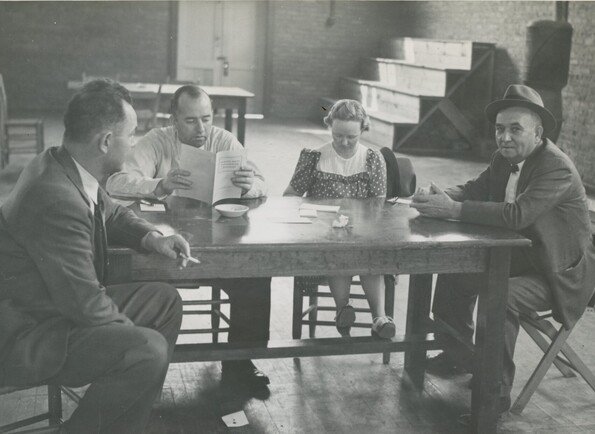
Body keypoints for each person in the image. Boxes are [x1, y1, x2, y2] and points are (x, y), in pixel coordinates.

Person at [0, 79, 191, 433]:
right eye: (131, 135)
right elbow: (86, 306)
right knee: (147, 350)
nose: (134, 143)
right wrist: (133, 341)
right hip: (29, 335)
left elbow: (111, 211)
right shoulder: (56, 198)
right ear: (105, 142)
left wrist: (152, 237)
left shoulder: (61, 162)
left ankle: (120, 423)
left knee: (164, 302)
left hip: (50, 308)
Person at [411, 84, 595, 413]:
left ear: (538, 132)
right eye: (499, 129)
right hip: (527, 257)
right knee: (455, 271)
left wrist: (451, 210)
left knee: (502, 295)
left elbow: (517, 215)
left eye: (515, 129)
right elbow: (474, 188)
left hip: (559, 274)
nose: (504, 137)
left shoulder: (556, 167)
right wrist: (439, 195)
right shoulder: (503, 158)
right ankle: (458, 357)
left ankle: (493, 395)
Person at [106, 85, 271, 390]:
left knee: (256, 276)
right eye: (191, 120)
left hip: (217, 239)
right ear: (174, 118)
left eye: (206, 118)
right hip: (166, 241)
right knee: (138, 278)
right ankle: (142, 369)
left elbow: (262, 183)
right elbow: (116, 181)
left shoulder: (223, 139)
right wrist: (159, 185)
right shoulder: (158, 140)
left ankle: (241, 362)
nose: (202, 128)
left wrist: (250, 185)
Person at [284, 99, 396, 338]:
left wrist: (360, 222)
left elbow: (378, 203)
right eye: (338, 136)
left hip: (362, 235)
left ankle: (379, 318)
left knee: (370, 256)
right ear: (329, 128)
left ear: (363, 130)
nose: (344, 142)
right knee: (339, 253)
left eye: (351, 137)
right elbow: (290, 196)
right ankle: (342, 309)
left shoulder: (373, 159)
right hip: (324, 238)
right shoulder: (315, 156)